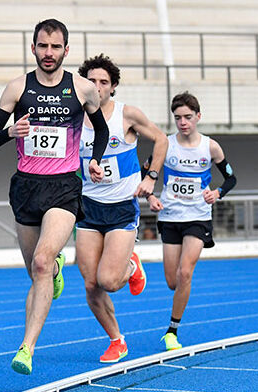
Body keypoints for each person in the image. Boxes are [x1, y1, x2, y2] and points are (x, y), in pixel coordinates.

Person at [0, 19, 107, 375]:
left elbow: (100, 130)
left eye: (55, 47)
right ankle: (55, 270)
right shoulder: (17, 88)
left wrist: (96, 160)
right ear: (33, 48)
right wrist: (10, 131)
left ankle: (26, 348)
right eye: (43, 46)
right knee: (36, 270)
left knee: (40, 260)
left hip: (64, 185)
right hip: (26, 186)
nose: (49, 53)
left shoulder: (83, 89)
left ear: (66, 50)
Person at [75, 54, 169, 363]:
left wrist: (151, 177)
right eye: (92, 81)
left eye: (104, 82)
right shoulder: (75, 120)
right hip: (89, 208)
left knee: (109, 281)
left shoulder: (126, 115)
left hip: (121, 208)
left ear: (113, 86)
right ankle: (117, 340)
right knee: (91, 284)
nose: (98, 87)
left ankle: (131, 266)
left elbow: (161, 140)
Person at [145, 92, 237, 351]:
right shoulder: (166, 145)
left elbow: (231, 178)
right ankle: (174, 315)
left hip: (198, 217)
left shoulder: (210, 147)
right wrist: (151, 196)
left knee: (185, 272)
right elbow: (145, 174)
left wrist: (217, 192)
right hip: (170, 216)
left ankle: (172, 331)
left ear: (198, 116)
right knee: (173, 281)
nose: (183, 122)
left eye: (187, 117)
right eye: (178, 118)